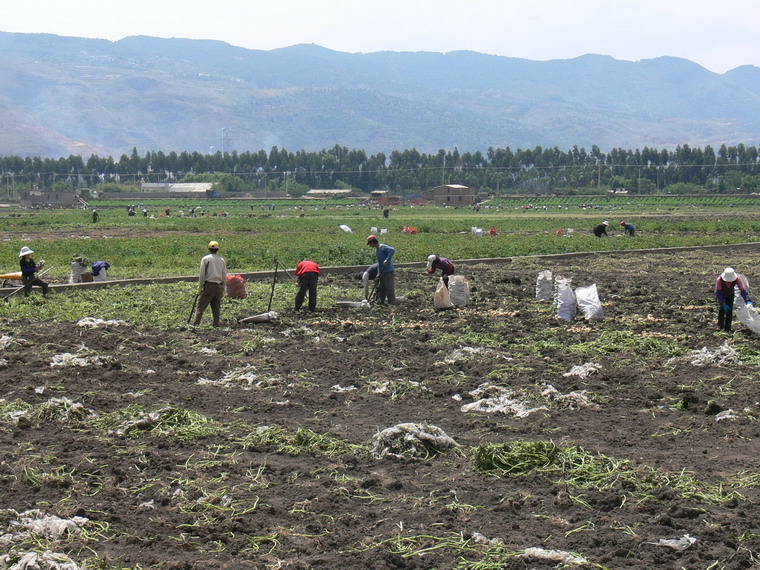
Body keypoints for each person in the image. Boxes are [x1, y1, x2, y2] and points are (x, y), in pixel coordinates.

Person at [193, 241, 227, 327]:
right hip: (218, 286)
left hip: (208, 286)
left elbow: (202, 274)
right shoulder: (221, 260)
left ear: (209, 249)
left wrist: (200, 286)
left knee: (200, 307)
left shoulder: (206, 259)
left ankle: (195, 325)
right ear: (218, 249)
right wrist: (223, 288)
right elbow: (224, 275)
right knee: (216, 308)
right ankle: (216, 324)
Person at [715, 267, 753, 333]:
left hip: (730, 295)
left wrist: (747, 300)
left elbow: (742, 290)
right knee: (721, 310)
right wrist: (722, 303)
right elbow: (719, 292)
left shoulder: (737, 279)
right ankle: (720, 325)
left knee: (729, 312)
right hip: (722, 295)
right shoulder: (719, 279)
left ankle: (728, 328)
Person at [367, 235, 395, 305]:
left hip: (388, 270)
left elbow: (392, 250)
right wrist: (378, 273)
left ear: (373, 242)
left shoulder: (382, 247)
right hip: (382, 271)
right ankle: (381, 300)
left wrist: (387, 259)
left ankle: (391, 302)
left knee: (389, 287)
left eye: (370, 243)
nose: (370, 245)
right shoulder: (377, 250)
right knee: (381, 287)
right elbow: (379, 262)